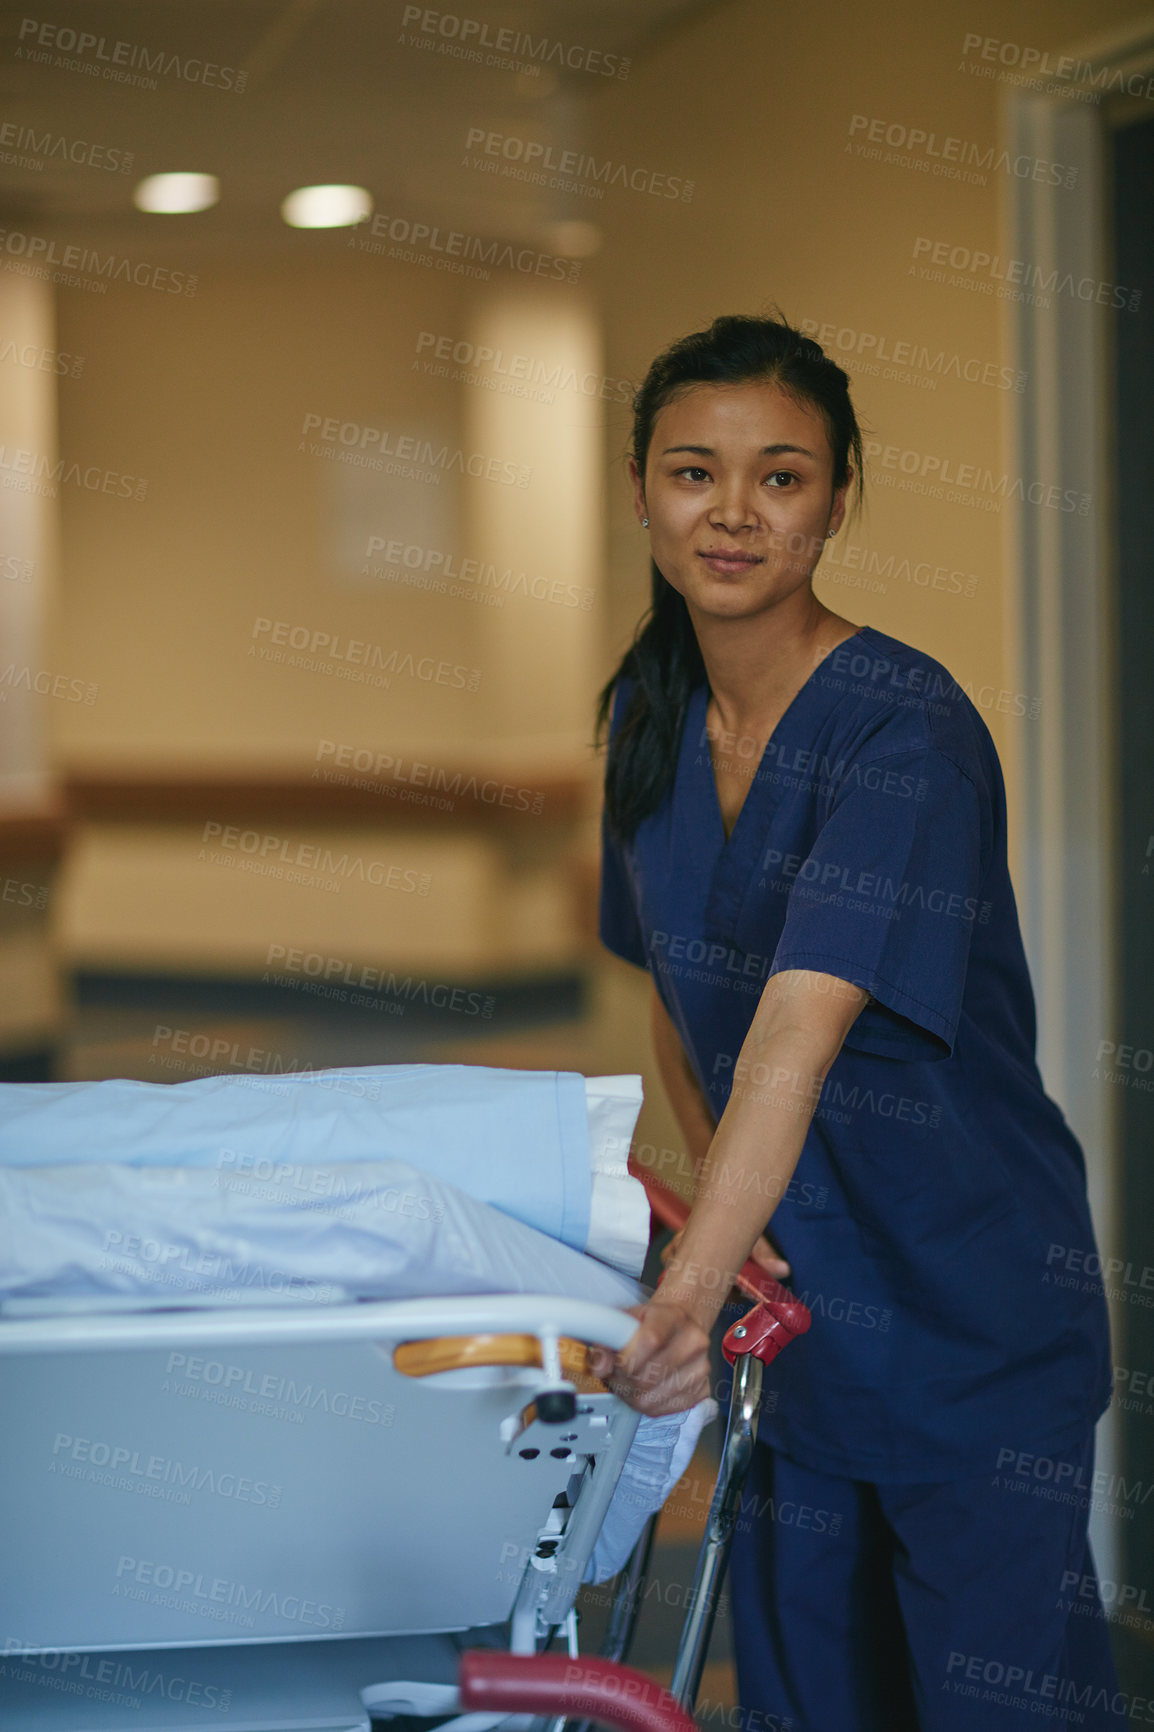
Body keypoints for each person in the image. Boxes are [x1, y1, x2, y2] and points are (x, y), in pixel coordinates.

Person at [587, 314, 1121, 1730]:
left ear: (836, 501)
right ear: (639, 489)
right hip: (796, 1311)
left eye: (782, 476)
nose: (734, 513)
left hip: (964, 1293)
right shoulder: (648, 710)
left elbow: (790, 1032)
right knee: (809, 1692)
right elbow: (674, 990)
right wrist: (725, 1226)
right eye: (694, 473)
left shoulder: (904, 729)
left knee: (991, 1700)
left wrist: (686, 1289)